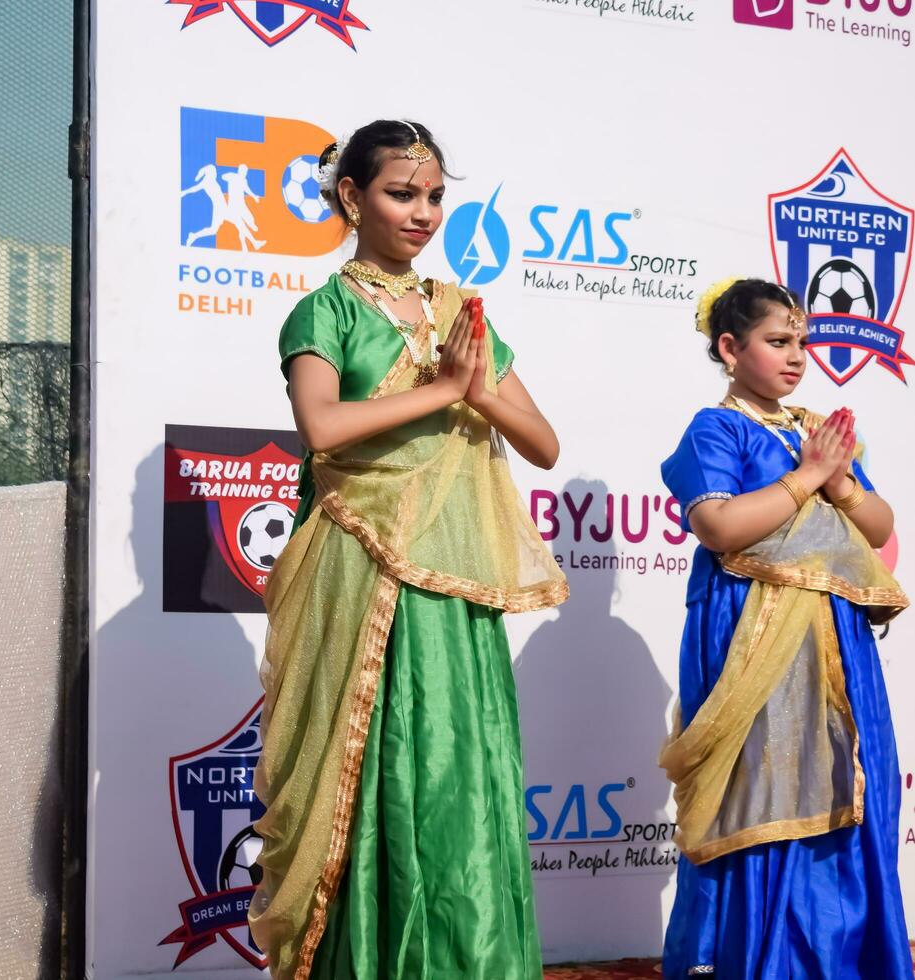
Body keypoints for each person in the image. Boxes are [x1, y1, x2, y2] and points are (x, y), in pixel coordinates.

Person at [249, 119, 568, 980]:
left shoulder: (463, 314)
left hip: (453, 582)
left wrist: (475, 391)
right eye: (401, 193)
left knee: (457, 782)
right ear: (351, 197)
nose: (422, 212)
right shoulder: (325, 312)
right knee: (371, 780)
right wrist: (440, 393)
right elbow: (321, 427)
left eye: (433, 196)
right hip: (360, 573)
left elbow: (541, 443)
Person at [660, 277, 910, 979]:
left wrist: (840, 483)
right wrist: (806, 479)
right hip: (750, 634)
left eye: (800, 342)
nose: (795, 357)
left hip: (833, 640)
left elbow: (880, 528)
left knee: (843, 785)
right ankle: (755, 960)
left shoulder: (812, 431)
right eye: (777, 342)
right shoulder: (717, 429)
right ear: (730, 348)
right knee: (763, 790)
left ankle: (834, 958)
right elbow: (716, 526)